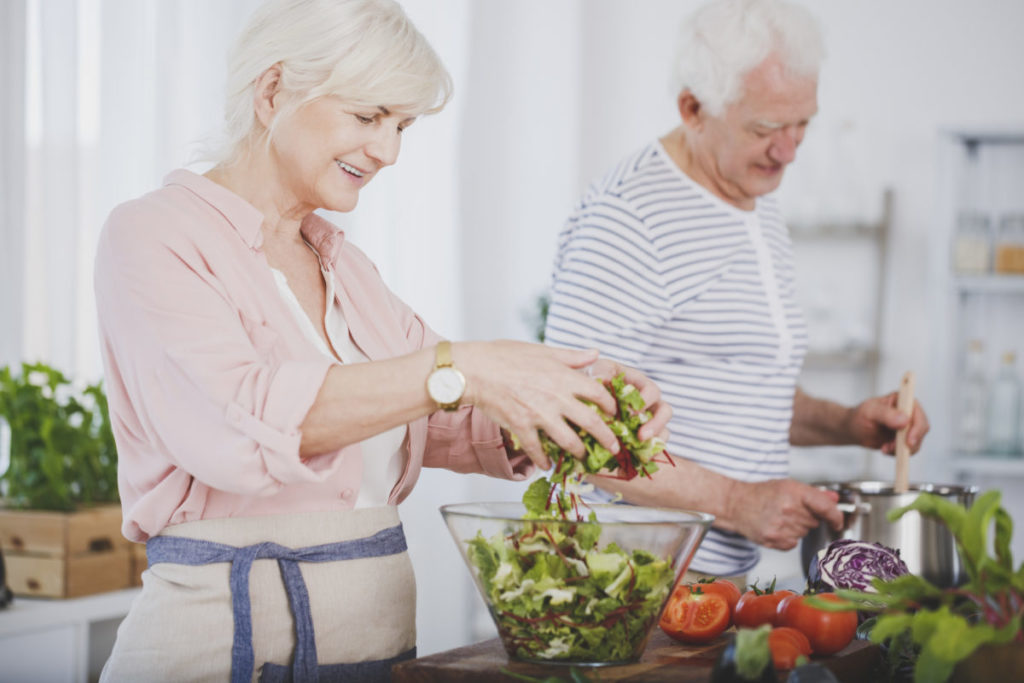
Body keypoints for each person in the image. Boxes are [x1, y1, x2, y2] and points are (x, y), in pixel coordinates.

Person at [93, 1, 671, 680]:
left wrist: (570, 396)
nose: (388, 151)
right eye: (368, 117)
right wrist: (465, 366)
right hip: (217, 657)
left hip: (377, 654)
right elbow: (241, 422)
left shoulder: (347, 268)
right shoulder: (153, 236)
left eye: (402, 126)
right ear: (273, 90)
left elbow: (446, 413)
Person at [544, 0, 930, 584]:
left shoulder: (749, 196)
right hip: (622, 578)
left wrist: (847, 421)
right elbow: (576, 431)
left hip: (709, 582)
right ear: (693, 109)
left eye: (803, 122)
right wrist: (738, 501)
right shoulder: (629, 219)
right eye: (766, 129)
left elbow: (742, 389)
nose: (790, 150)